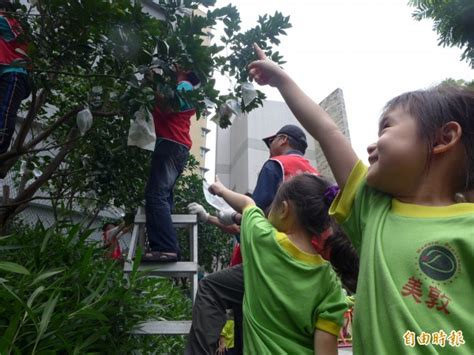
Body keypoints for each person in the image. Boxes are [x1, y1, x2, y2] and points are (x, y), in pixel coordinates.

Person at [249, 43, 474, 354]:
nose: (371, 146)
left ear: (443, 138)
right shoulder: (374, 211)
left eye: (386, 127)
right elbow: (327, 131)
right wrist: (281, 80)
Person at [186, 124, 322, 354]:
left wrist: (226, 201)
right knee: (248, 324)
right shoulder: (316, 177)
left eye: (271, 143)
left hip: (270, 262)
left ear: (282, 139)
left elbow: (254, 216)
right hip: (305, 268)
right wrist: (210, 217)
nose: (270, 150)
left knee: (210, 288)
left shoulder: (277, 165)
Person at [207, 174, 348, 354]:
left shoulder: (263, 239)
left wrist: (221, 190)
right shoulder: (330, 281)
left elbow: (247, 204)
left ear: (283, 210)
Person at [142, 64, 200, 262]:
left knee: (156, 195)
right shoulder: (183, 88)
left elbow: (167, 106)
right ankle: (167, 245)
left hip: (171, 144)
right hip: (175, 145)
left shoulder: (185, 86)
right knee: (162, 196)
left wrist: (151, 81)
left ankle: (165, 248)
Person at [0, 0, 30, 164]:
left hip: (13, 73)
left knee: (4, 113)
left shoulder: (5, 20)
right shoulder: (13, 25)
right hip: (10, 74)